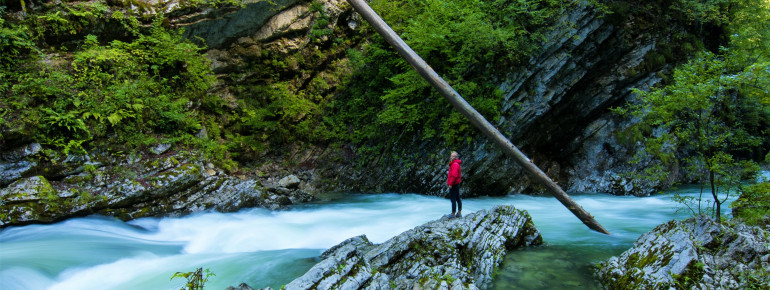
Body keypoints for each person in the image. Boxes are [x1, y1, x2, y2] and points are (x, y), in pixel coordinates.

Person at [447, 151, 462, 218]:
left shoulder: (455, 164)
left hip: (454, 184)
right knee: (457, 198)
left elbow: (454, 175)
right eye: (451, 156)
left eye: (453, 156)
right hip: (456, 184)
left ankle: (453, 214)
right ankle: (459, 212)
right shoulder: (454, 164)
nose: (451, 157)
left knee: (453, 199)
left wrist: (450, 184)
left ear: (456, 157)